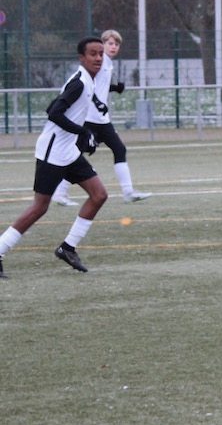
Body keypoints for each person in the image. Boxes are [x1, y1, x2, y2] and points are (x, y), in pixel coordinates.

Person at [0, 37, 110, 277]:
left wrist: (81, 135)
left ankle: (67, 248)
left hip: (67, 150)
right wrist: (83, 132)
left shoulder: (87, 80)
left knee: (99, 195)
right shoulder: (80, 82)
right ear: (82, 58)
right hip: (52, 152)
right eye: (93, 54)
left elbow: (57, 106)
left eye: (101, 53)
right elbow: (54, 112)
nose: (99, 58)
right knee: (40, 207)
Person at [52, 29, 151, 206]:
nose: (113, 47)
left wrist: (114, 88)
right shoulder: (101, 61)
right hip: (90, 118)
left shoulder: (107, 63)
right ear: (102, 45)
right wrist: (97, 102)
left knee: (119, 149)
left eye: (116, 44)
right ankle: (59, 192)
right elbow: (90, 86)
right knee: (76, 155)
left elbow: (100, 86)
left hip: (102, 120)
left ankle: (128, 191)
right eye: (110, 43)